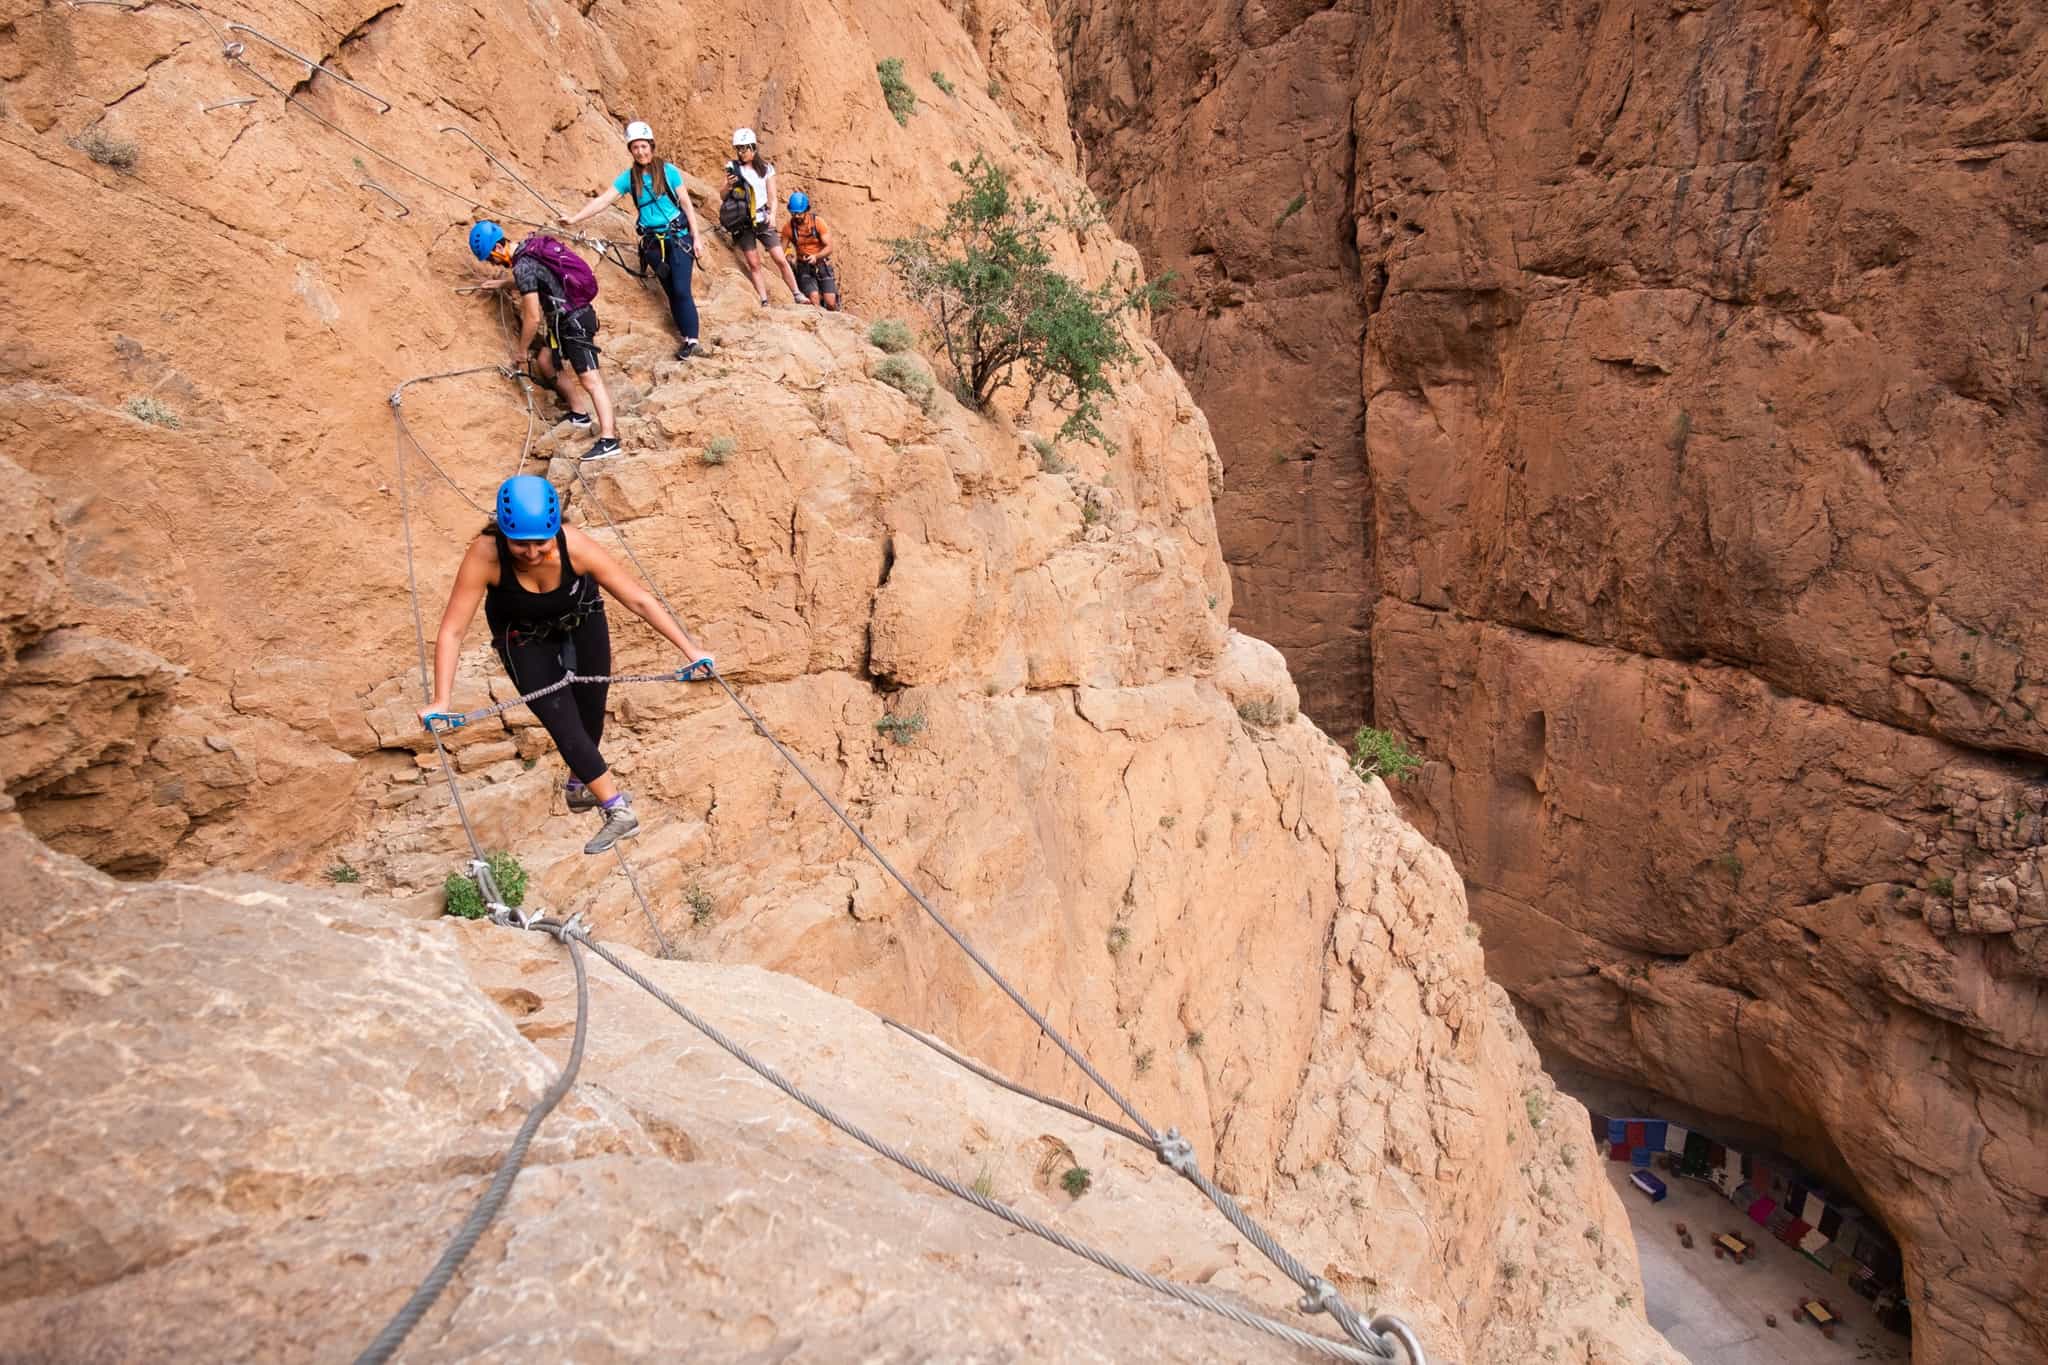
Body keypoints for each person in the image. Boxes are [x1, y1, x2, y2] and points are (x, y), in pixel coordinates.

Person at [418, 475, 716, 855]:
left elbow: (638, 599)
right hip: (523, 638)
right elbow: (453, 631)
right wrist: (442, 699)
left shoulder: (574, 546)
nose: (530, 553)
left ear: (555, 529)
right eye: (519, 544)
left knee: (590, 716)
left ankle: (580, 783)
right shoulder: (486, 554)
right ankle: (618, 810)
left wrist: (691, 650)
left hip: (582, 620)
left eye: (540, 543)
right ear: (502, 532)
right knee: (561, 719)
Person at [468, 221, 621, 462]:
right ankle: (579, 413)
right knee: (545, 360)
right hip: (563, 321)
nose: (492, 263)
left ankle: (609, 439)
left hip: (575, 321)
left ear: (498, 247)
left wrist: (520, 351)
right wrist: (504, 283)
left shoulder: (522, 266)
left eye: (491, 258)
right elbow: (538, 278)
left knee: (590, 379)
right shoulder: (528, 249)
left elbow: (532, 316)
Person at [560, 120, 706, 362]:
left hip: (678, 237)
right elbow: (603, 201)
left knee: (681, 289)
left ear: (651, 145)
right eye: (635, 147)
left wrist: (697, 238)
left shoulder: (668, 171)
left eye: (643, 146)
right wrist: (575, 219)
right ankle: (686, 338)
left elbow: (686, 204)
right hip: (651, 243)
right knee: (670, 290)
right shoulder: (629, 178)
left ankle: (693, 340)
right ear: (630, 150)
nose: (640, 151)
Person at [720, 128, 802, 307]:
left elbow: (772, 197)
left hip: (762, 218)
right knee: (754, 263)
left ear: (753, 147)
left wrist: (772, 215)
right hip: (744, 221)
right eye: (738, 149)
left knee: (780, 258)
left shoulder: (766, 169)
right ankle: (764, 300)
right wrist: (728, 185)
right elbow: (723, 195)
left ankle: (796, 293)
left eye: (744, 148)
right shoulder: (733, 167)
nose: (741, 153)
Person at [780, 191, 839, 310]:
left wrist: (816, 256)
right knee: (814, 299)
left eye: (799, 213)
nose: (796, 216)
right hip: (804, 266)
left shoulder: (818, 223)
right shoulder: (788, 228)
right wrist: (788, 256)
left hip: (822, 264)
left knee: (831, 302)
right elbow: (781, 250)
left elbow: (829, 247)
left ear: (806, 210)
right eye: (793, 213)